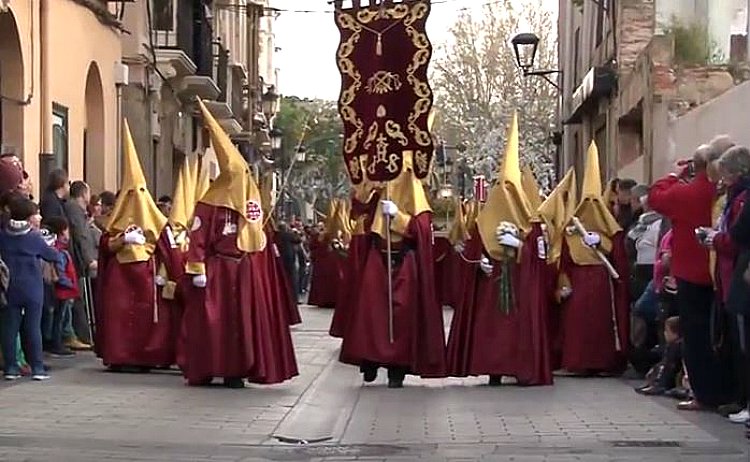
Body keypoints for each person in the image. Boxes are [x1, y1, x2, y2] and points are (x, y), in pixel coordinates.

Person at [181, 101, 297, 387]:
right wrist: (198, 268)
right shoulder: (209, 204)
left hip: (242, 271)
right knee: (212, 322)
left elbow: (257, 236)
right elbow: (198, 236)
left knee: (240, 324)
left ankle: (237, 370)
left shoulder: (250, 203)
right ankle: (207, 367)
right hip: (217, 270)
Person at [447, 113, 552, 386]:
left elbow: (541, 261)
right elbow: (473, 251)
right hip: (491, 286)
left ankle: (518, 367)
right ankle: (491, 367)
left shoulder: (532, 224)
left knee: (516, 329)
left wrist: (520, 247)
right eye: (500, 187)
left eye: (510, 188)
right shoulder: (485, 220)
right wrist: (479, 264)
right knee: (491, 329)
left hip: (520, 289)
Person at [339, 151, 446, 388]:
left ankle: (398, 368)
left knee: (402, 317)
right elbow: (359, 213)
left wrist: (398, 217)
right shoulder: (379, 187)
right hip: (378, 258)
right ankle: (370, 360)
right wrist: (366, 190)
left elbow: (422, 230)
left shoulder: (416, 195)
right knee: (371, 313)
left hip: (404, 262)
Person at [648, 136, 736, 411]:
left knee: (697, 338)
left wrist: (675, 175)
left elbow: (656, 197)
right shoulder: (721, 192)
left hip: (691, 273)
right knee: (724, 336)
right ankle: (728, 390)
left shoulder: (687, 193)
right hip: (720, 275)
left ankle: (704, 393)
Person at [96, 121, 184, 372]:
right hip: (120, 278)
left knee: (145, 318)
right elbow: (106, 245)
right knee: (119, 318)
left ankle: (144, 356)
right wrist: (123, 240)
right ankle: (120, 356)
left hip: (146, 276)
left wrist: (166, 275)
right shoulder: (116, 220)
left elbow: (166, 249)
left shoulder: (155, 220)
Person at [556, 141, 630, 375]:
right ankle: (579, 362)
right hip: (579, 283)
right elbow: (564, 262)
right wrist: (564, 285)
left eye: (594, 203)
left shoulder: (612, 231)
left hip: (601, 283)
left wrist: (603, 243)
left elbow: (618, 259)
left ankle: (603, 362)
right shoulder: (571, 231)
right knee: (579, 324)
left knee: (601, 325)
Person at [700, 145, 750, 423]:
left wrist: (715, 240)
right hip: (729, 276)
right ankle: (740, 397)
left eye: (726, 174)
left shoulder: (742, 198)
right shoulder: (734, 197)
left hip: (738, 274)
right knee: (734, 341)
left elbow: (737, 235)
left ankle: (744, 399)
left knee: (743, 344)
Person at [0, 197, 61, 381]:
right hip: (32, 288)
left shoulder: (3, 235)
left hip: (9, 287)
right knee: (33, 328)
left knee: (9, 329)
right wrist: (51, 244)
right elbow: (52, 255)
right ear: (28, 218)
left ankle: (11, 368)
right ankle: (37, 368)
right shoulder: (33, 237)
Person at [63, 181, 97, 349]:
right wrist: (89, 258)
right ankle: (84, 336)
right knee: (78, 298)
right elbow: (81, 235)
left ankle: (83, 335)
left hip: (76, 258)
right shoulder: (74, 210)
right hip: (76, 260)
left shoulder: (75, 210)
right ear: (84, 194)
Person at [43, 217, 81, 358]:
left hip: (62, 290)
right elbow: (61, 272)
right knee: (59, 318)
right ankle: (56, 342)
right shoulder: (59, 252)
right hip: (62, 290)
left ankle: (55, 341)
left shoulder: (59, 250)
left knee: (58, 317)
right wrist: (70, 285)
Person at [635, 316, 683, 396]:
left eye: (667, 331)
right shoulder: (670, 346)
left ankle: (661, 384)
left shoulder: (676, 347)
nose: (665, 333)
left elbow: (669, 366)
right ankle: (656, 382)